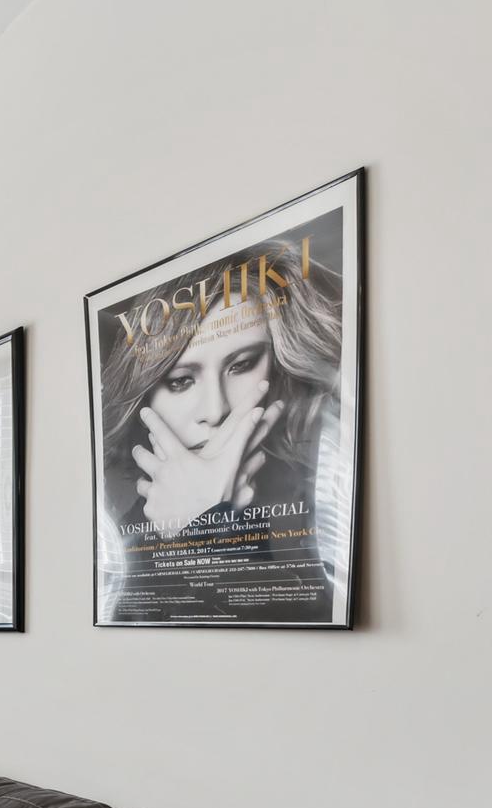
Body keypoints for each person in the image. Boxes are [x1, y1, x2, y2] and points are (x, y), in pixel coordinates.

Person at [96, 231, 347, 621]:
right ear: (142, 394)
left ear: (278, 360)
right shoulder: (113, 532)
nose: (215, 410)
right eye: (179, 381)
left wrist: (207, 525)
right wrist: (205, 529)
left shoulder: (327, 492)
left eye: (242, 364)